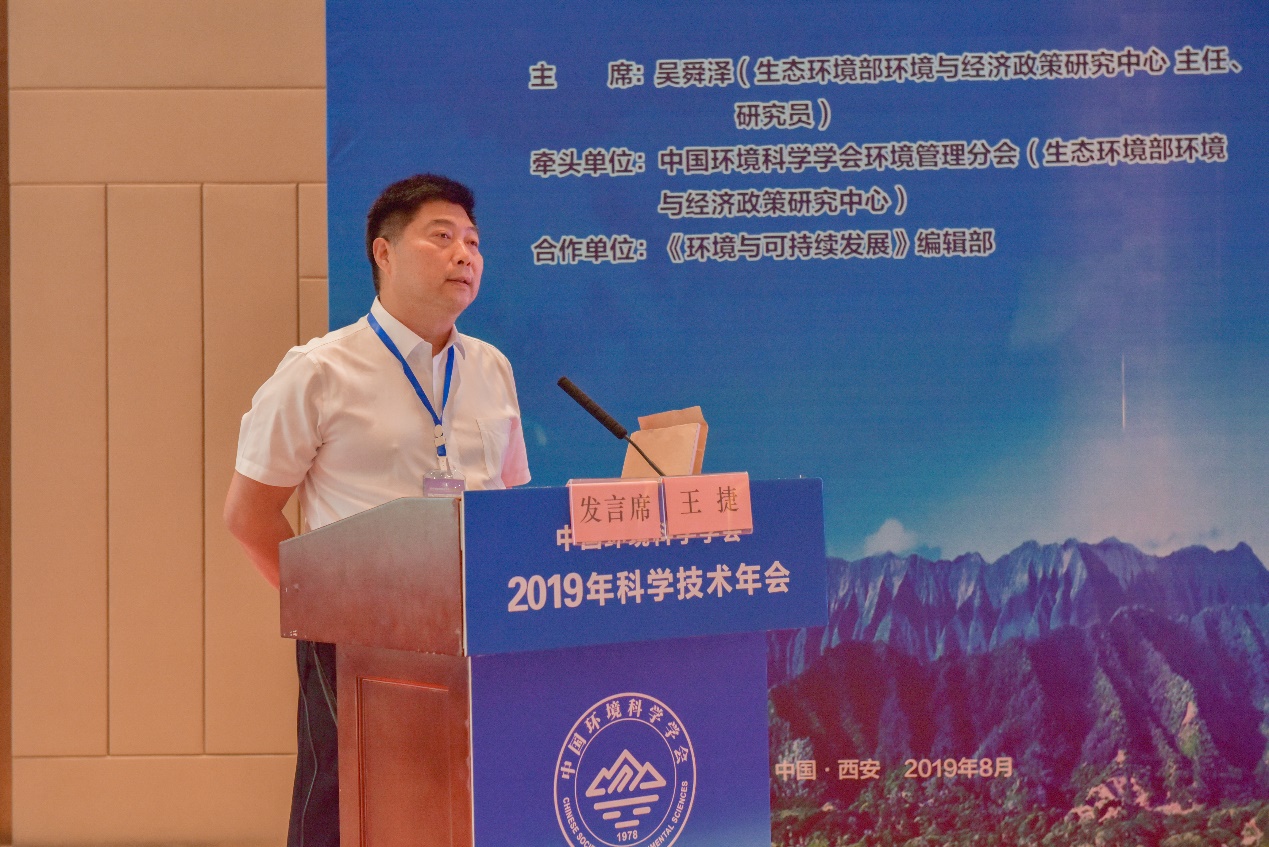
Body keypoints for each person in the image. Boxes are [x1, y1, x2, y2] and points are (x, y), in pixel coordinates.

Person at [224, 174, 530, 846]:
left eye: (473, 241)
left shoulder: (491, 369)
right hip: (358, 640)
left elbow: (507, 501)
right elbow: (248, 515)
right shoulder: (319, 371)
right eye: (441, 236)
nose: (464, 254)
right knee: (344, 803)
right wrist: (325, 608)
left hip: (473, 630)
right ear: (383, 253)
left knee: (461, 799)